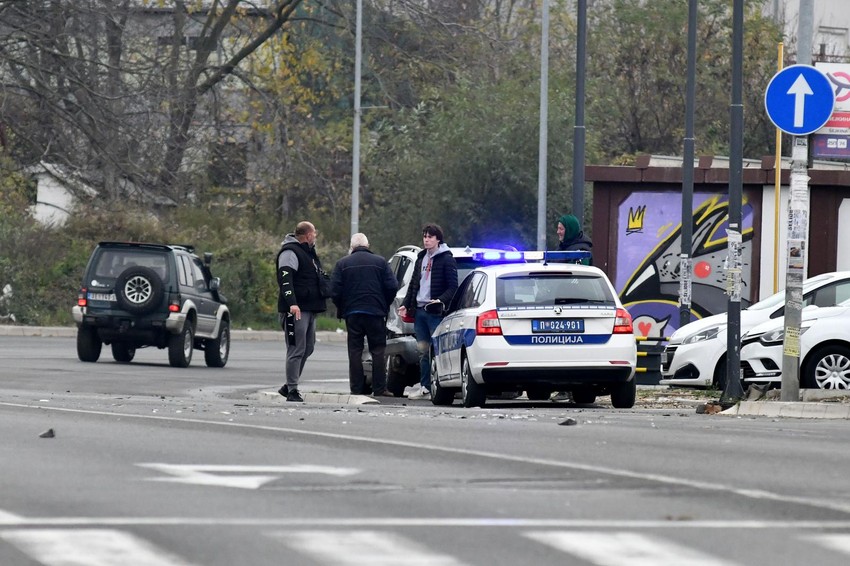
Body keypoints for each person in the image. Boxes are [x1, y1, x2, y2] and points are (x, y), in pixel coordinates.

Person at [331, 233, 399, 397]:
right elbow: (392, 286)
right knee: (378, 350)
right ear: (367, 245)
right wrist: (384, 304)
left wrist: (343, 307)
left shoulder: (342, 264)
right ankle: (379, 388)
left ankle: (356, 389)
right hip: (375, 312)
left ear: (352, 247)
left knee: (355, 351)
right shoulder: (380, 262)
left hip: (353, 313)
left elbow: (334, 291)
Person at [398, 224, 458, 400]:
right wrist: (406, 304)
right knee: (422, 351)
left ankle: (441, 386)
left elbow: (453, 287)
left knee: (438, 350)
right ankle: (425, 387)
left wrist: (441, 300)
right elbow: (414, 285)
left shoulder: (447, 259)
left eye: (430, 237)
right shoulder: (421, 258)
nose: (426, 239)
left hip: (435, 312)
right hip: (420, 311)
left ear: (438, 239)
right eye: (425, 236)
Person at [275, 221, 327, 402]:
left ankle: (289, 384)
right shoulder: (290, 252)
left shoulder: (308, 254)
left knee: (308, 347)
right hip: (295, 309)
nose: (315, 237)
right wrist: (292, 303)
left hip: (309, 308)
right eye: (314, 234)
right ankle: (292, 390)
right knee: (296, 348)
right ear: (308, 235)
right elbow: (285, 279)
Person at [552, 213, 593, 402]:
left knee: (568, 351)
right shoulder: (563, 250)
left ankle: (569, 390)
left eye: (561, 228)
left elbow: (576, 280)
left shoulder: (580, 252)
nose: (558, 231)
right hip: (559, 304)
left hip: (572, 306)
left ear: (569, 230)